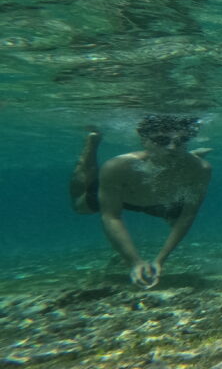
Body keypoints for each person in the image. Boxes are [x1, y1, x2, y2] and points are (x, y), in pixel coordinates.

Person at [69, 114, 212, 288]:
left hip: (158, 200)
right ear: (144, 141)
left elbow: (187, 215)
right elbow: (111, 216)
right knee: (80, 206)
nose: (172, 147)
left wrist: (160, 260)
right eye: (161, 140)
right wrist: (134, 261)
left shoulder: (200, 169)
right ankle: (91, 146)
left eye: (181, 141)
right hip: (124, 195)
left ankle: (188, 154)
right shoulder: (118, 166)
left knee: (175, 219)